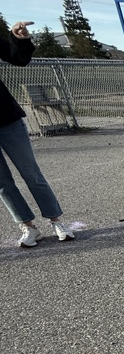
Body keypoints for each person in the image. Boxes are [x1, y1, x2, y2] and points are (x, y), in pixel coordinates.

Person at [0, 20, 75, 247]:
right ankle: (28, 227)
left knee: (31, 173)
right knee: (3, 184)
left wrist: (20, 39)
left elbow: (19, 58)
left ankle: (56, 220)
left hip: (7, 119)